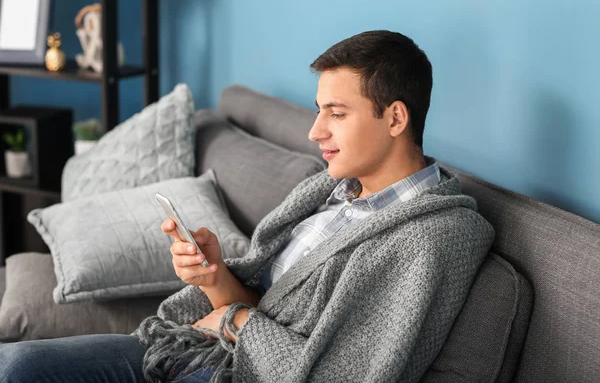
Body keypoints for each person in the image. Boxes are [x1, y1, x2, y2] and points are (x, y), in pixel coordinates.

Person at [0, 30, 494, 383]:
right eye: (318, 110)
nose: (315, 132)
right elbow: (266, 304)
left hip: (231, 368)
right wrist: (216, 279)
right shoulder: (329, 192)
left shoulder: (433, 236)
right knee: (16, 365)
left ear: (395, 118)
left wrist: (235, 323)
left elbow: (344, 373)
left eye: (336, 114)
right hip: (209, 351)